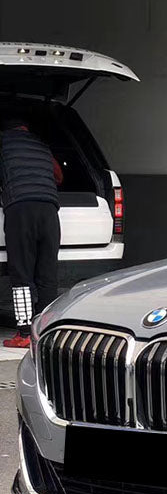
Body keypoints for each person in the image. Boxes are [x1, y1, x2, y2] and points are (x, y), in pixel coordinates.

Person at [0, 118, 62, 349]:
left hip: (21, 209)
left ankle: (25, 333)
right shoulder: (41, 145)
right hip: (49, 210)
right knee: (47, 273)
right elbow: (59, 176)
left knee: (21, 273)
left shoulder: (3, 142)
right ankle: (46, 330)